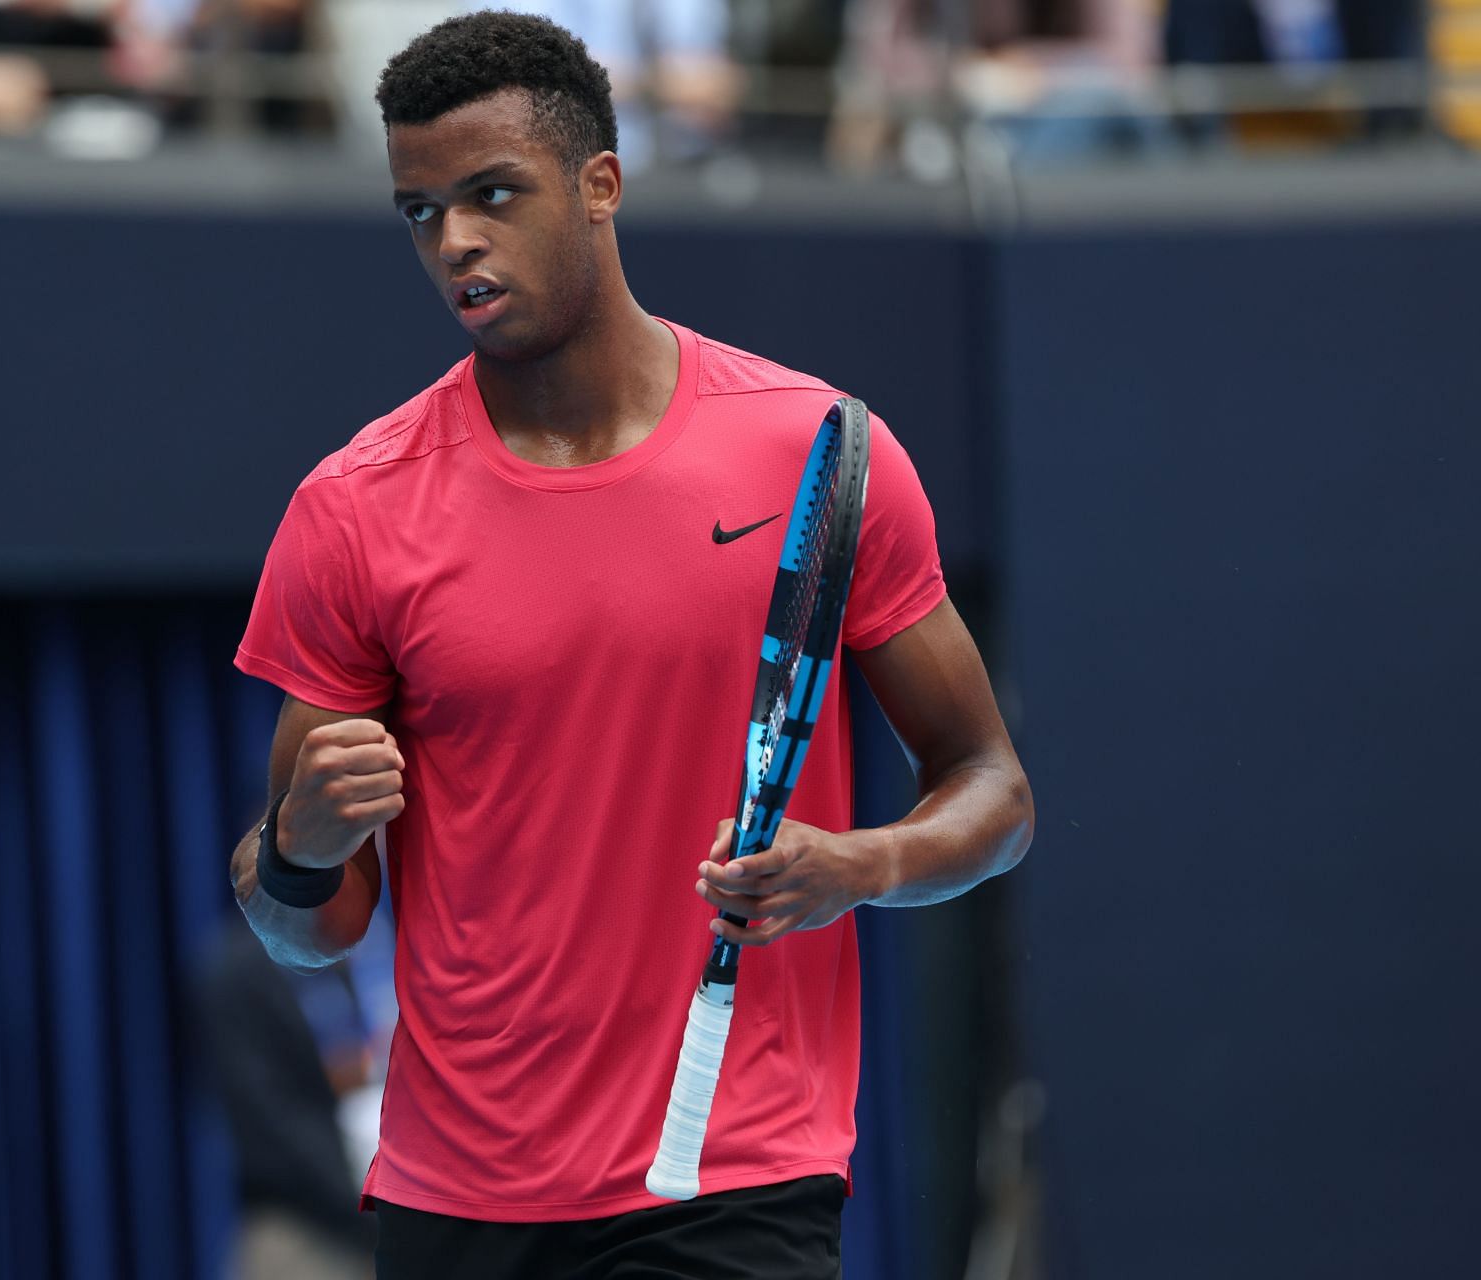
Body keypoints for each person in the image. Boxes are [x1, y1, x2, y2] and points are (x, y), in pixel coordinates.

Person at [229, 12, 1034, 1277]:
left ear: (601, 183)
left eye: (493, 193)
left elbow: (995, 790)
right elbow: (301, 925)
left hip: (734, 1175)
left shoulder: (817, 451)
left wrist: (862, 862)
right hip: (458, 1202)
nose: (457, 242)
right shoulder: (352, 507)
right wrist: (296, 853)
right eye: (421, 210)